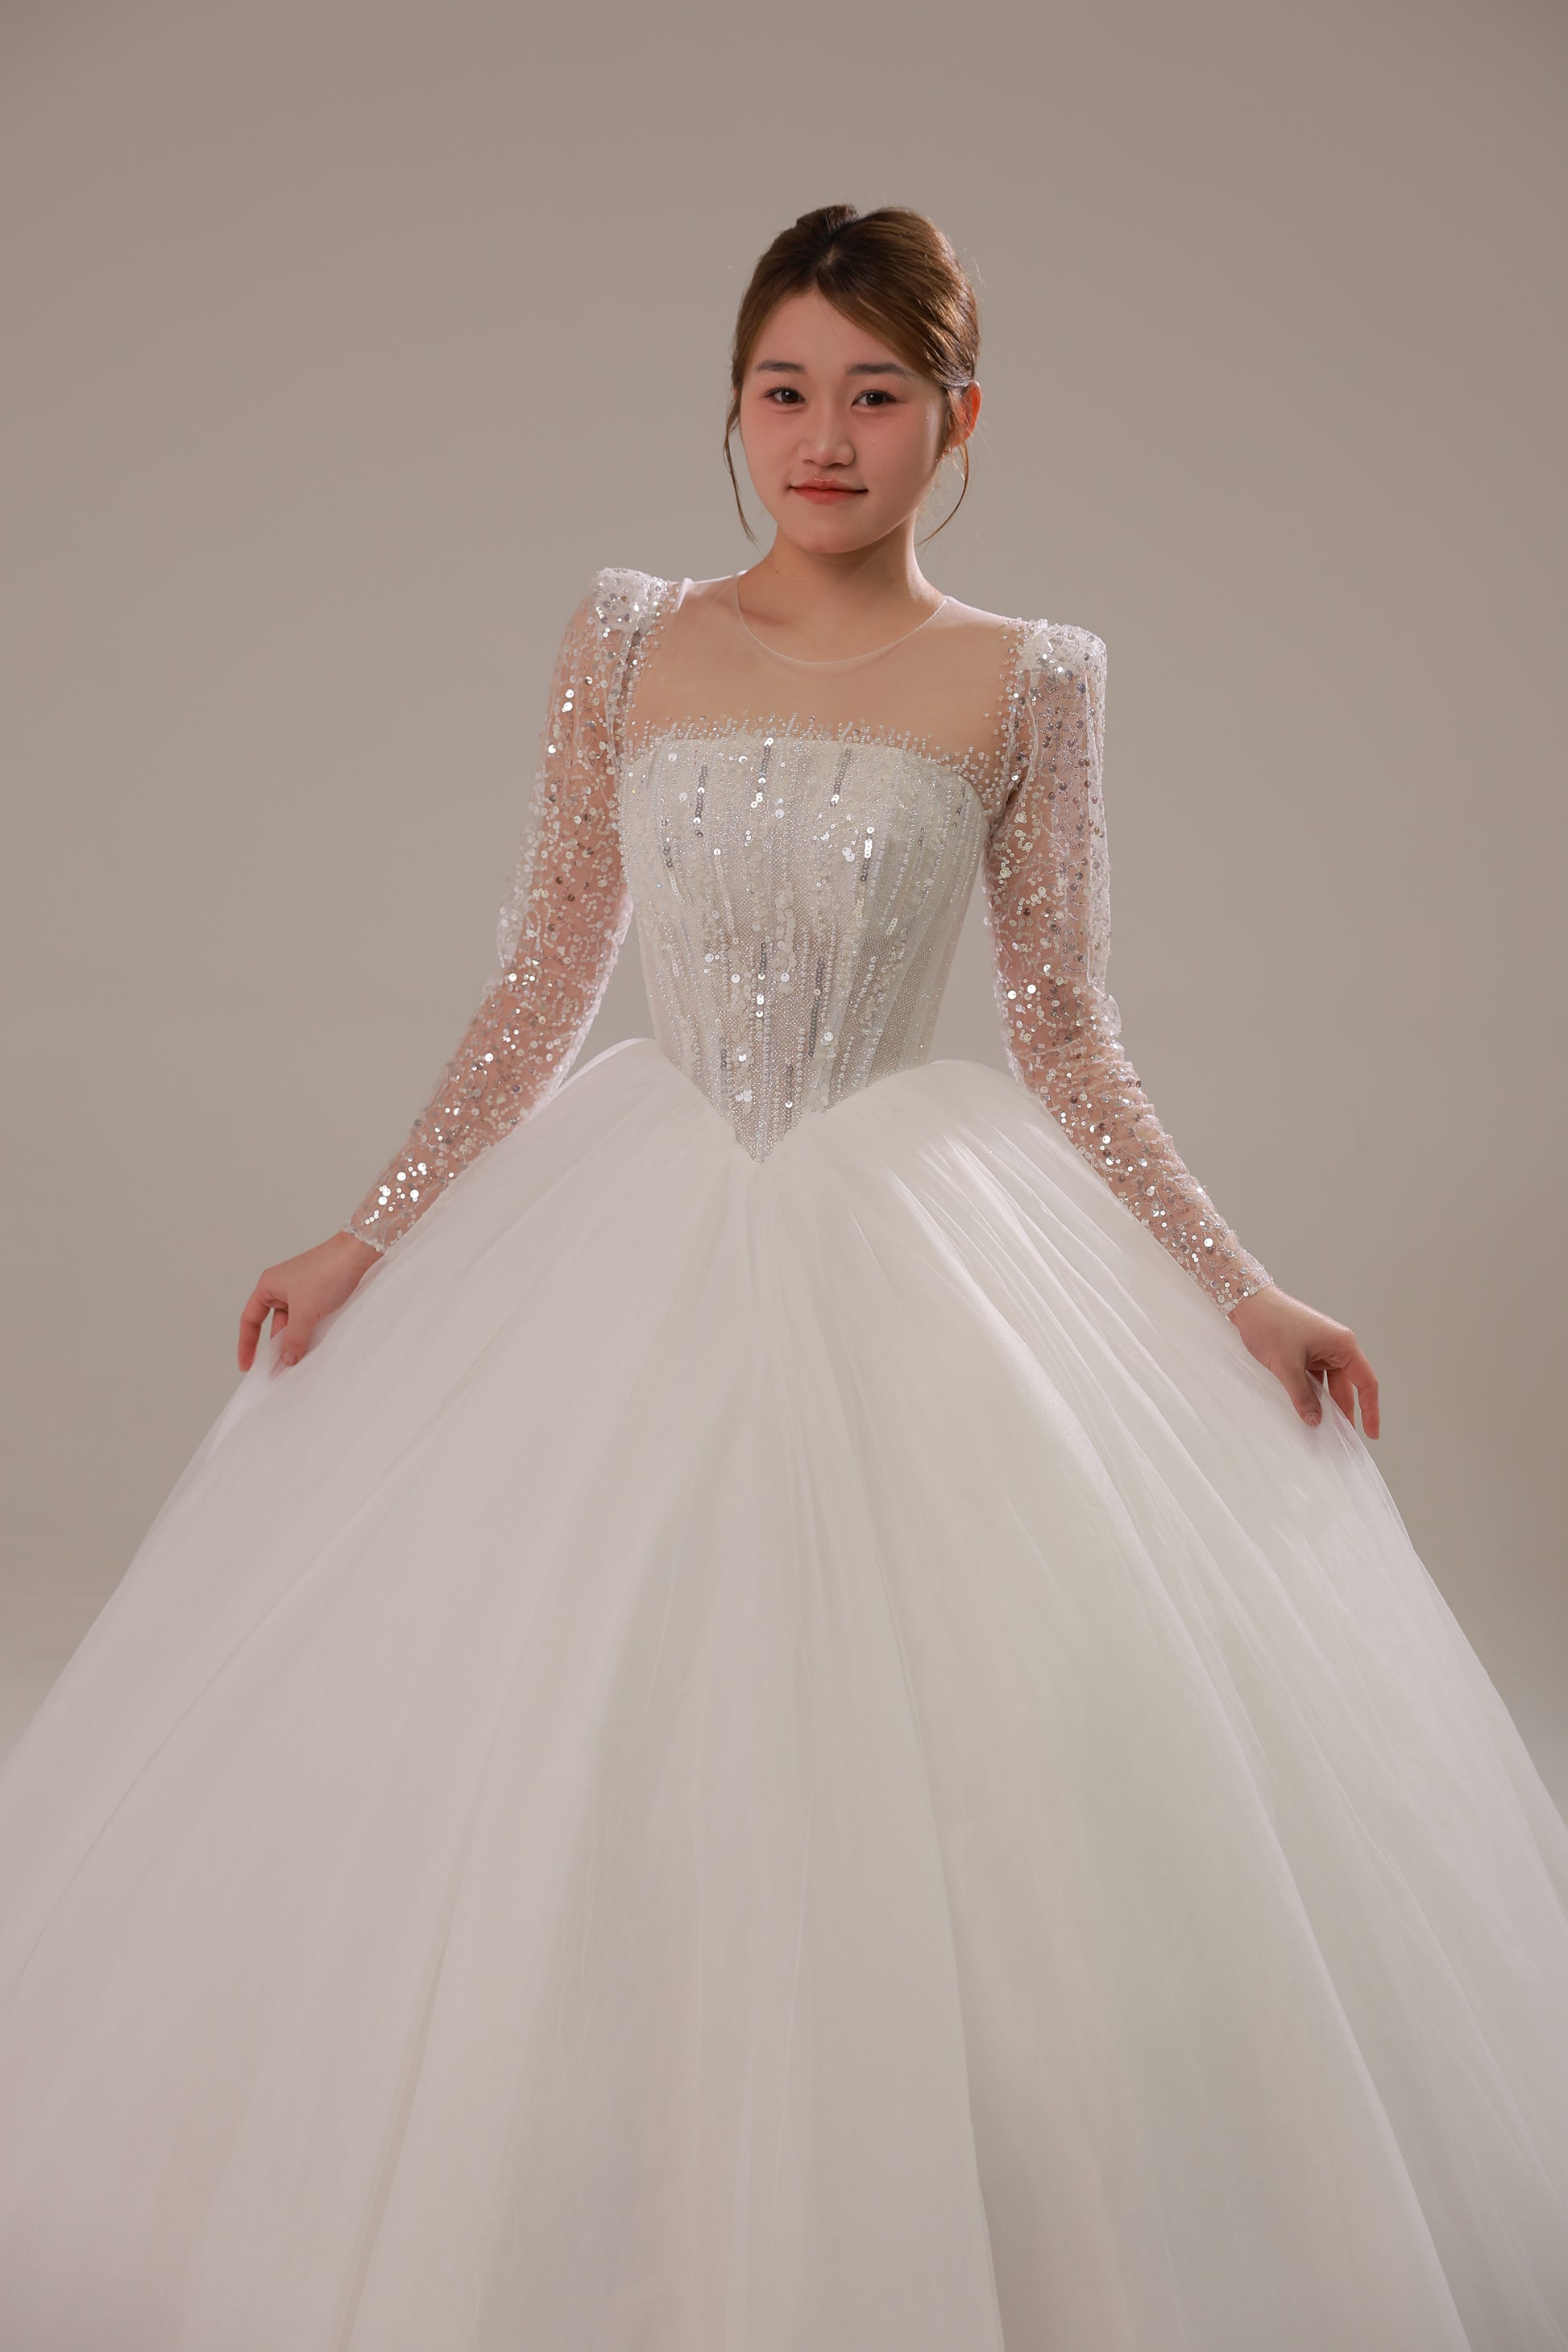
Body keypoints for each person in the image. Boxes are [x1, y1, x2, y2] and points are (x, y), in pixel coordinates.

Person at [0, 202, 1565, 2352]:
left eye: (875, 394)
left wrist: (1241, 1290)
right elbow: (547, 976)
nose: (822, 437)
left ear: (959, 419)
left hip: (900, 1224)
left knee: (965, 1778)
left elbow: (1067, 1029)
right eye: (782, 389)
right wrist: (371, 1229)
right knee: (573, 1741)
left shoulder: (1029, 678)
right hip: (630, 1224)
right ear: (734, 407)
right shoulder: (627, 636)